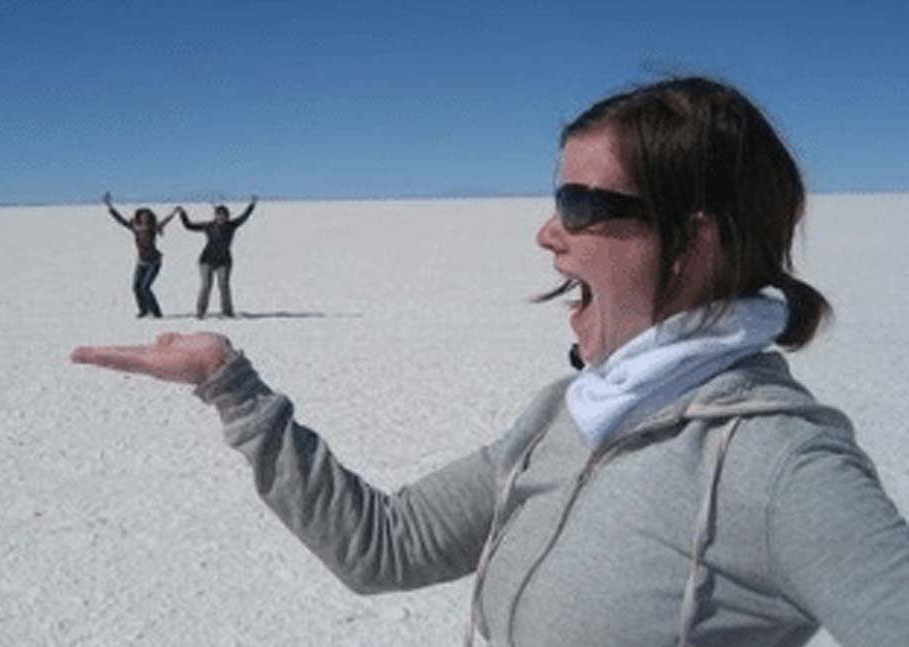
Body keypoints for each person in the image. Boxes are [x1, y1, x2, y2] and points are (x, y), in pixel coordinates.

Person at [73, 78, 909, 647]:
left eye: (580, 205)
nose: (549, 232)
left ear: (694, 241)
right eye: (556, 200)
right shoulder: (568, 414)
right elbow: (384, 545)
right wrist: (235, 389)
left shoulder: (780, 466)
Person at [178, 197, 259, 318]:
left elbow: (244, 217)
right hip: (206, 260)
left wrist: (251, 205)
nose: (221, 217)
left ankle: (227, 312)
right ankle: (200, 312)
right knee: (206, 285)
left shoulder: (231, 225)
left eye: (224, 215)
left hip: (224, 261)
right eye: (219, 215)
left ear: (227, 216)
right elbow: (189, 226)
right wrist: (183, 214)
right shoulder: (208, 226)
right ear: (215, 216)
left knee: (224, 286)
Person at [102, 191, 176, 318]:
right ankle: (143, 310)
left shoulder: (153, 228)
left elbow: (165, 221)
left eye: (147, 216)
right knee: (136, 287)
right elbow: (121, 220)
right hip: (141, 262)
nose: (145, 218)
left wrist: (173, 213)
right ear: (139, 218)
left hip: (154, 262)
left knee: (145, 287)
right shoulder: (135, 228)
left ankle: (157, 313)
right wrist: (110, 207)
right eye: (143, 216)